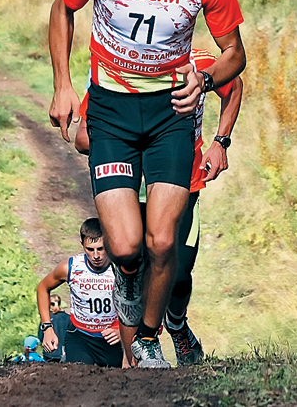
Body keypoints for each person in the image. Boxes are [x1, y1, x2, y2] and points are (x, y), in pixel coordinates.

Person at [48, 0, 246, 368]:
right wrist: (63, 84)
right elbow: (63, 8)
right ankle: (128, 277)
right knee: (126, 247)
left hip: (170, 113)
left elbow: (235, 55)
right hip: (112, 110)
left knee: (163, 240)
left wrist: (204, 79)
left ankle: (149, 336)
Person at [75, 48, 244, 366]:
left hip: (183, 183)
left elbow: (234, 84)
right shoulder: (120, 72)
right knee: (131, 274)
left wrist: (220, 142)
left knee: (177, 275)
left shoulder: (198, 63)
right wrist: (120, 138)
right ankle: (140, 370)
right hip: (129, 187)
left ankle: (177, 325)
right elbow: (82, 137)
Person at [36, 218, 123, 367]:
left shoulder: (120, 266)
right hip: (80, 338)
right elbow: (43, 288)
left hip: (112, 339)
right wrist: (47, 328)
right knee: (79, 377)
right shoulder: (71, 267)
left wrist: (123, 331)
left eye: (101, 248)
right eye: (90, 249)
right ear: (82, 244)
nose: (96, 255)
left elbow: (141, 300)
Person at [37, 294, 71, 362]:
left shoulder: (46, 320)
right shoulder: (68, 318)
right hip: (64, 354)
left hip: (49, 353)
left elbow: (40, 336)